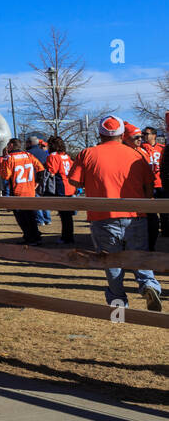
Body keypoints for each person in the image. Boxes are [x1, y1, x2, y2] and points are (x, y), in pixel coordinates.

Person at [67, 116, 160, 311]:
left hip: (103, 217)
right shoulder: (136, 154)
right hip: (136, 215)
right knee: (139, 256)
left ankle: (119, 305)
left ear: (100, 134)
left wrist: (93, 182)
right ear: (121, 134)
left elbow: (74, 181)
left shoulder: (87, 153)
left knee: (112, 263)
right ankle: (148, 284)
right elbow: (149, 185)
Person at [0, 140, 43, 246]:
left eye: (8, 144)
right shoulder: (28, 155)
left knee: (22, 218)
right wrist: (37, 182)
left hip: (18, 191)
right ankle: (34, 236)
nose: (7, 146)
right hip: (30, 191)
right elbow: (41, 168)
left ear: (12, 145)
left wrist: (3, 160)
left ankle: (30, 237)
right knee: (31, 216)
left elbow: (5, 176)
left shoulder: (10, 158)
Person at [45, 136, 76, 245]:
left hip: (61, 186)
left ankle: (66, 237)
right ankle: (68, 236)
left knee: (64, 215)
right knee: (67, 215)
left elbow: (52, 171)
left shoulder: (53, 156)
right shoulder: (66, 156)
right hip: (70, 186)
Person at [139, 127, 167, 249]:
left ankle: (166, 232)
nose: (144, 136)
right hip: (149, 185)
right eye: (143, 134)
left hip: (162, 184)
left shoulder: (162, 149)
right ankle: (151, 236)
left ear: (154, 135)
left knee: (165, 212)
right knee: (151, 213)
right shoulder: (141, 149)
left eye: (147, 134)